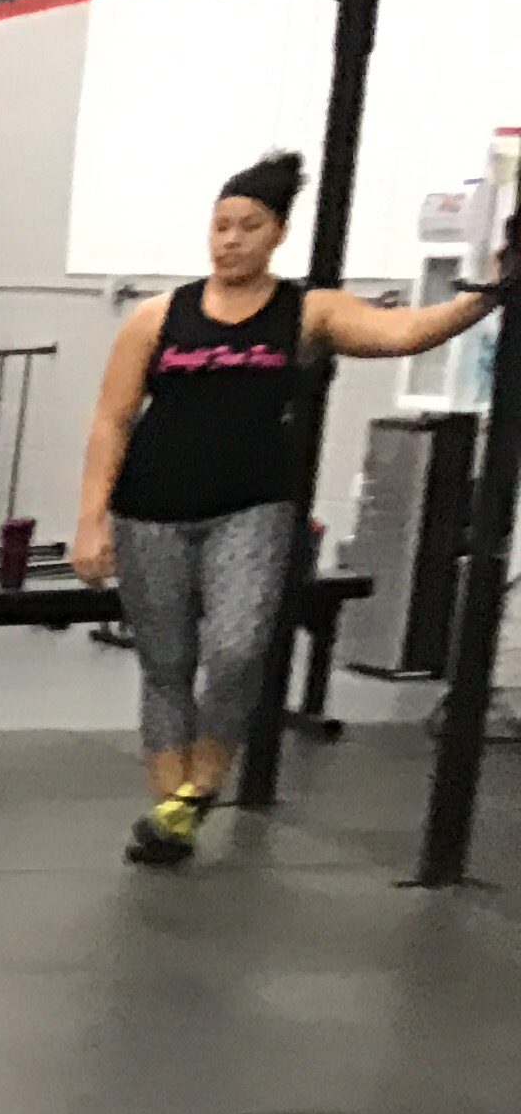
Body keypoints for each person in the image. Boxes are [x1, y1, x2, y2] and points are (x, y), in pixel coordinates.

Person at [75, 151, 510, 868]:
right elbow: (111, 419)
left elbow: (403, 333)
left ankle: (203, 784)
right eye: (220, 226)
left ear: (276, 233)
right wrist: (92, 520)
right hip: (149, 508)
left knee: (238, 651)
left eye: (248, 226)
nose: (230, 240)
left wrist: (486, 293)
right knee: (167, 664)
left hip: (252, 507)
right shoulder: (159, 317)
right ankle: (169, 814)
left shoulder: (307, 312)